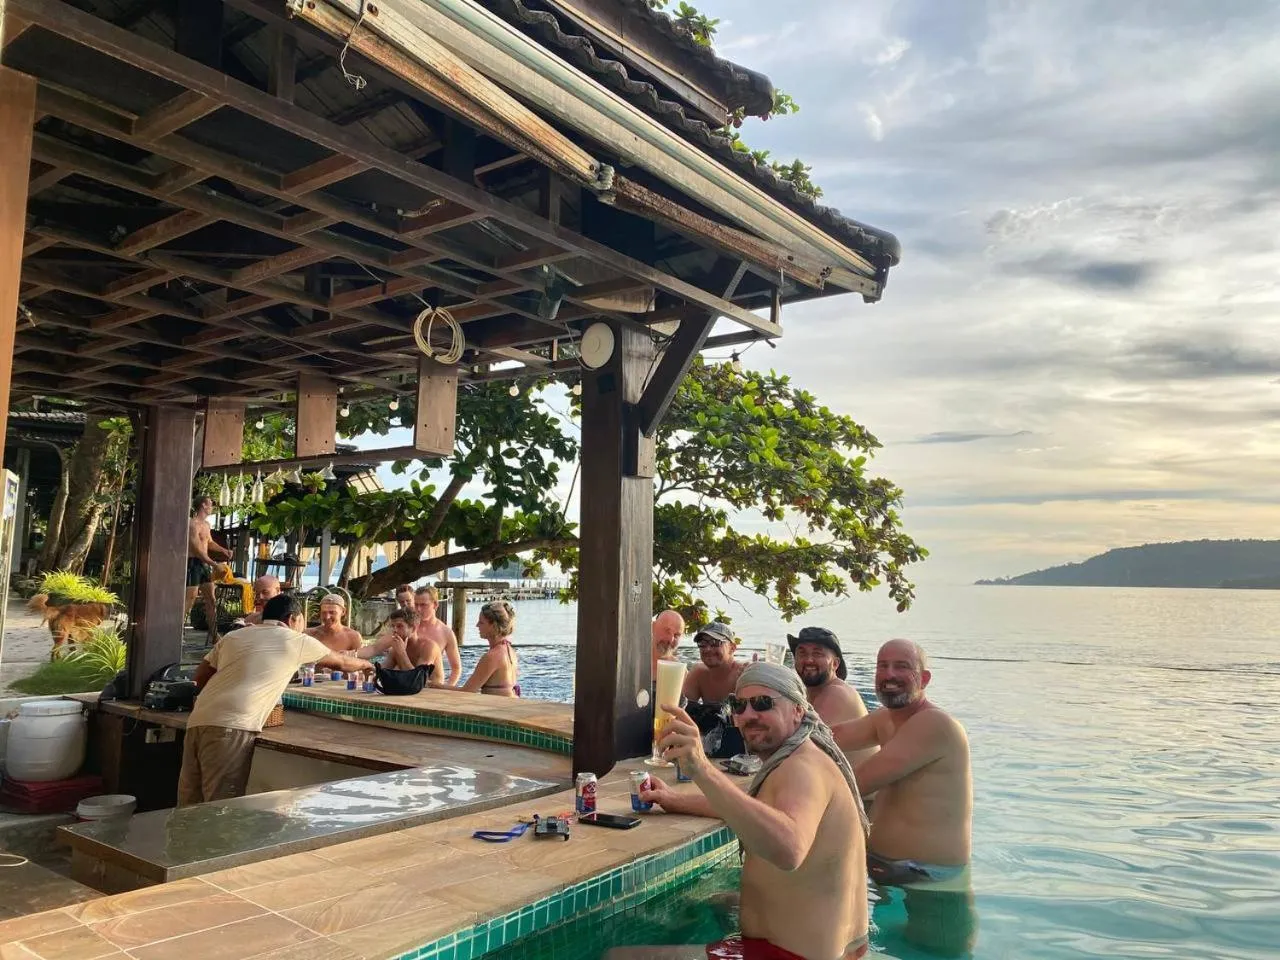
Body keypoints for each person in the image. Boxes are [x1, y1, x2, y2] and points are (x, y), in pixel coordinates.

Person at [638, 662, 870, 960]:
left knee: (620, 957)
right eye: (739, 705)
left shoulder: (801, 768)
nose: (748, 715)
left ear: (798, 710)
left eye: (763, 703)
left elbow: (789, 848)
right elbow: (752, 809)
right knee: (715, 901)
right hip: (844, 949)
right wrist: (673, 800)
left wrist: (702, 769)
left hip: (788, 957)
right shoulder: (804, 755)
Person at [832, 639, 976, 956]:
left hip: (930, 881)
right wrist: (776, 717)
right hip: (886, 871)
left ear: (924, 678)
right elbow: (832, 737)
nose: (889, 674)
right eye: (882, 666)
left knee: (928, 955)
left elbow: (858, 782)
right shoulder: (886, 719)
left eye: (902, 667)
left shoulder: (934, 724)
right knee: (884, 948)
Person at [178, 595, 373, 806]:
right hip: (232, 726)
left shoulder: (234, 636)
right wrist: (367, 665)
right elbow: (342, 662)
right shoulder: (295, 640)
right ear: (292, 619)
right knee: (221, 804)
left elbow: (200, 677)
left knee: (189, 803)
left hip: (198, 719)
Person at [789, 627, 877, 767]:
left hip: (858, 781)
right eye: (802, 653)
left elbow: (800, 745)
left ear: (835, 664)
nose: (808, 660)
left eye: (817, 654)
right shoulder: (809, 694)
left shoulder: (837, 693)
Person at [682, 621, 748, 758]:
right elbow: (681, 713)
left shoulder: (744, 674)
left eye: (715, 643)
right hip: (709, 745)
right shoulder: (698, 673)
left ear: (732, 648)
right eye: (702, 644)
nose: (707, 649)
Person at [186, 495, 233, 645]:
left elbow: (209, 542)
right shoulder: (192, 524)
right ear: (203, 506)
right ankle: (177, 632)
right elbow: (196, 549)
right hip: (193, 563)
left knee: (211, 599)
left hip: (204, 564)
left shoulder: (206, 524)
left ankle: (214, 635)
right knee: (190, 599)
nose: (212, 507)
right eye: (210, 504)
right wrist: (214, 564)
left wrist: (224, 550)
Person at [357, 608, 444, 685]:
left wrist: (402, 653)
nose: (395, 630)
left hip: (433, 692)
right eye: (393, 626)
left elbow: (418, 679)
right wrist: (367, 668)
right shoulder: (396, 647)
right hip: (411, 691)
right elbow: (383, 671)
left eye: (399, 626)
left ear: (413, 628)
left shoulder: (429, 647)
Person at [455, 600, 519, 696]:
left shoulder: (492, 657)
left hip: (497, 705)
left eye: (481, 622)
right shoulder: (510, 651)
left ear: (493, 626)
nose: (477, 625)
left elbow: (467, 691)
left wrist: (436, 686)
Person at [414, 586, 462, 686]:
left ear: (435, 605)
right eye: (416, 604)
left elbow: (456, 668)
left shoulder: (446, 632)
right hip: (409, 681)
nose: (418, 609)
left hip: (433, 684)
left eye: (423, 605)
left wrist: (448, 687)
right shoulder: (408, 628)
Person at [652, 608, 686, 675]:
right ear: (653, 627)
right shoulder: (633, 660)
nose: (671, 639)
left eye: (676, 635)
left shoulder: (680, 673)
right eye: (667, 631)